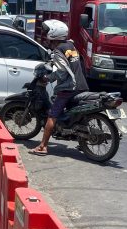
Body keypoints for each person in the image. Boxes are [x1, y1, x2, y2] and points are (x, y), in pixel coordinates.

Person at [30, 19, 89, 156]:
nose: (45, 36)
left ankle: (43, 146)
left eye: (47, 32)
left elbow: (62, 72)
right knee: (74, 112)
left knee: (52, 115)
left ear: (54, 33)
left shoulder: (58, 51)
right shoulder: (70, 45)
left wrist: (47, 78)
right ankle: (83, 141)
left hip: (69, 88)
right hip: (81, 84)